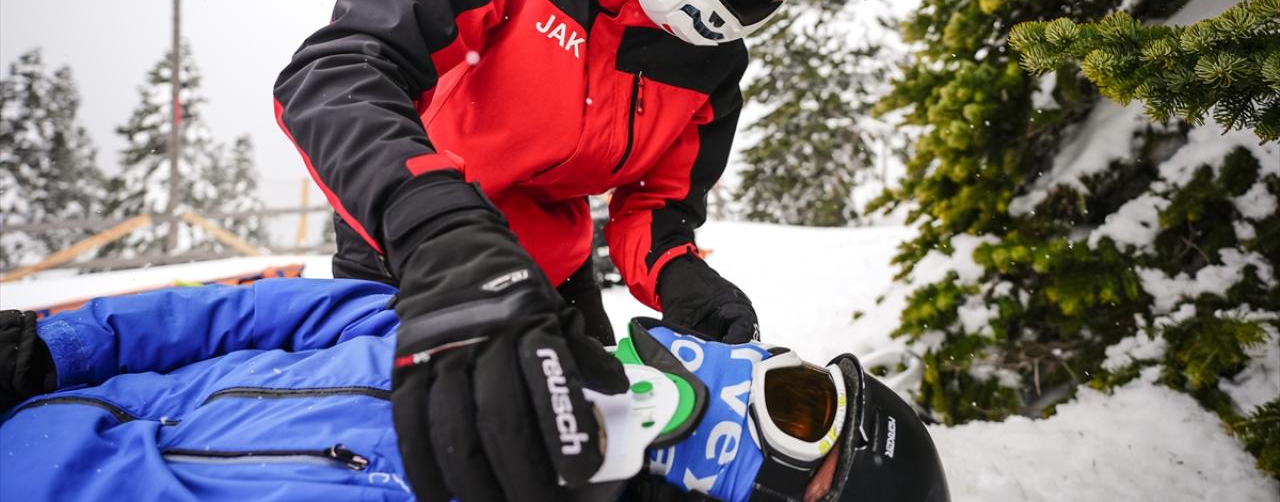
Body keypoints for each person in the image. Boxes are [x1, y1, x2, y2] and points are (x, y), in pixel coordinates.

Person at [270, 0, 909, 499]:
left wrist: (678, 274)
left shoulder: (711, 59)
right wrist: (435, 227)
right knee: (411, 469)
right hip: (419, 258)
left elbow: (658, 205)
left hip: (555, 282)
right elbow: (340, 68)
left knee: (590, 475)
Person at [0, 279, 950, 502]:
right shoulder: (493, 322)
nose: (754, 388)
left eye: (796, 424)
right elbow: (246, 319)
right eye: (792, 381)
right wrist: (55, 351)